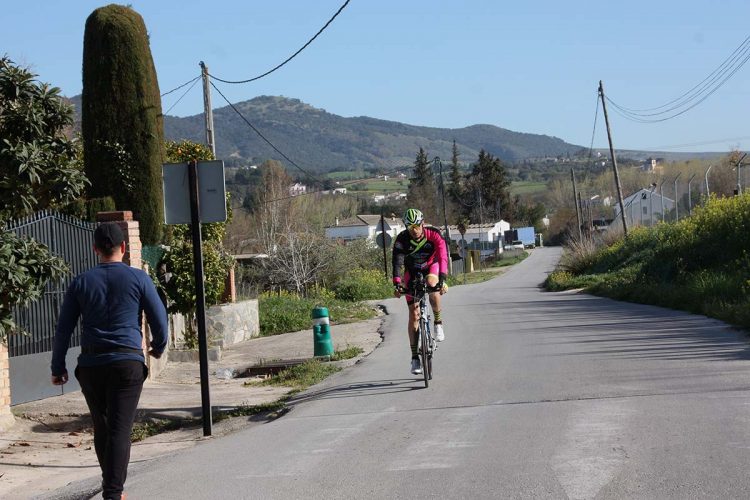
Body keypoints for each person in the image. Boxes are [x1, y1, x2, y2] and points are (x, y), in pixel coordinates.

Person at [51, 222, 168, 500]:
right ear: (124, 248)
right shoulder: (139, 278)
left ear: (95, 250)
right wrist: (158, 346)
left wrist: (58, 367)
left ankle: (113, 488)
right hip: (127, 363)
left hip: (91, 366)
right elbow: (159, 318)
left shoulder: (80, 282)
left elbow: (63, 328)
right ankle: (113, 493)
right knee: (119, 429)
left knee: (103, 427)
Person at [392, 208, 448, 375]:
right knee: (414, 314)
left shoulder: (434, 234)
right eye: (410, 228)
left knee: (433, 284)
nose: (414, 230)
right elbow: (397, 262)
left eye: (417, 226)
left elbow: (443, 255)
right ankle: (415, 357)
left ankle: (438, 323)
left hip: (431, 266)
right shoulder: (402, 239)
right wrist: (397, 283)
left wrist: (443, 278)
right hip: (412, 272)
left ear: (422, 223)